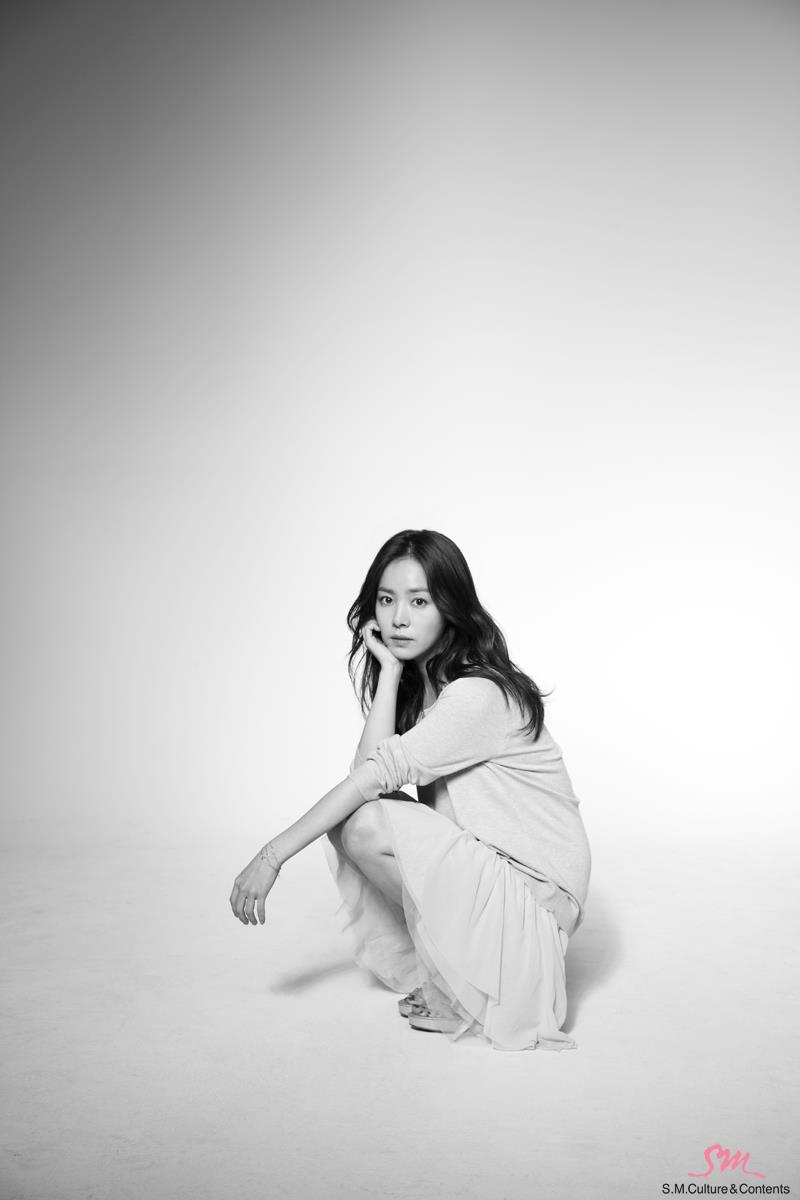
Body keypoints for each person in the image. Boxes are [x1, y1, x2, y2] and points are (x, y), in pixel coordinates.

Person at [229, 529, 591, 1052]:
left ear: (451, 607)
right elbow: (367, 773)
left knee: (363, 822)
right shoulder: (431, 690)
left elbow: (367, 785)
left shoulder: (476, 695)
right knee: (358, 820)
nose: (399, 617)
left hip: (533, 914)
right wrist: (391, 671)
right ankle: (455, 973)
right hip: (503, 895)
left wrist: (272, 855)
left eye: (419, 601)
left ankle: (470, 984)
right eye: (386, 599)